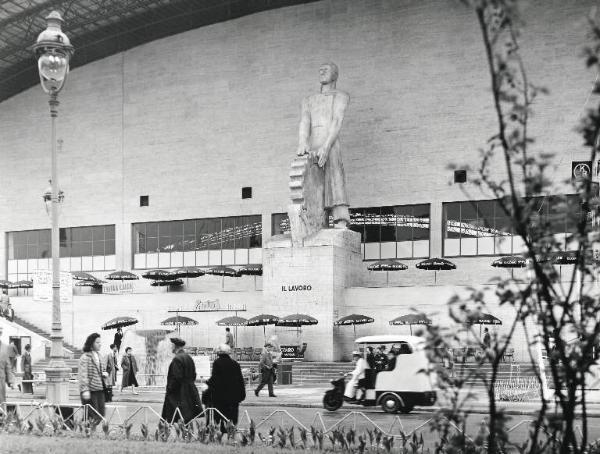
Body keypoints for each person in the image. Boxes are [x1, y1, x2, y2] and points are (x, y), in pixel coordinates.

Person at [296, 62, 350, 228]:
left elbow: (337, 120)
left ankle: (341, 217)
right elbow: (305, 121)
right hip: (313, 143)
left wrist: (326, 146)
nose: (321, 71)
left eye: (326, 69)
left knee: (335, 177)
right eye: (320, 69)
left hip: (330, 142)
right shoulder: (308, 100)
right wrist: (303, 142)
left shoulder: (341, 96)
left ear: (335, 74)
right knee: (313, 182)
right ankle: (316, 218)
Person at [161, 337, 203, 424]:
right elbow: (194, 375)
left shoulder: (177, 359)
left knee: (171, 419)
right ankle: (186, 436)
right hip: (189, 391)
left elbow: (176, 378)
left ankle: (164, 436)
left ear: (174, 346)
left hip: (179, 393)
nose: (170, 348)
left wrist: (169, 389)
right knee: (187, 418)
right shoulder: (188, 357)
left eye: (171, 346)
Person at [206, 343, 246, 430]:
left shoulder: (217, 363)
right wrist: (242, 394)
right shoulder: (235, 364)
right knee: (231, 417)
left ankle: (219, 431)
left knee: (220, 414)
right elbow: (240, 380)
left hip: (221, 396)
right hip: (234, 396)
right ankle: (230, 431)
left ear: (219, 353)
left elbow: (215, 379)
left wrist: (208, 383)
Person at [78, 332, 109, 423]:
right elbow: (83, 374)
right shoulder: (85, 357)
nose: (100, 344)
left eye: (100, 342)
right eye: (97, 342)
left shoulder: (99, 355)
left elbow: (101, 369)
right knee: (92, 415)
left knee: (100, 414)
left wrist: (104, 373)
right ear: (91, 343)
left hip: (100, 388)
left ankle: (83, 429)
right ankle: (86, 432)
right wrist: (85, 390)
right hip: (90, 390)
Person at [0, 326, 16, 411]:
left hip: (1, 381)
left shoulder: (5, 347)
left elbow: (8, 366)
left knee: (1, 404)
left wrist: (10, 381)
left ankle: (2, 422)